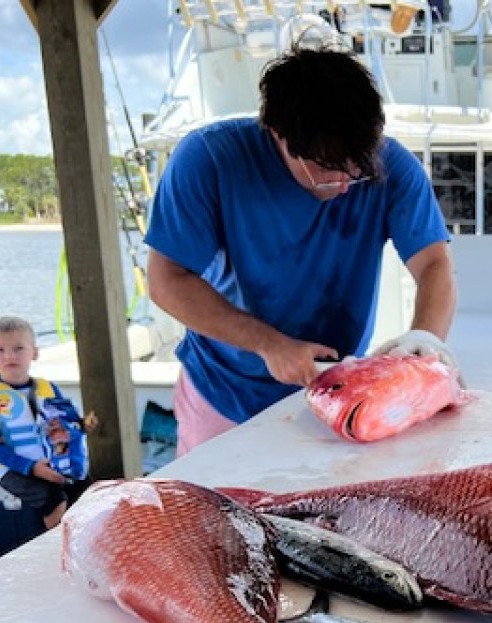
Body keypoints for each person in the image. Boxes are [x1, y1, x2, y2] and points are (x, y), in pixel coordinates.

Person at [144, 45, 458, 456]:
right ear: (278, 134)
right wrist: (270, 344)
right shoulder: (208, 159)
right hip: (224, 395)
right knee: (214, 516)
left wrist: (424, 342)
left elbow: (434, 264)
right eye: (328, 168)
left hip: (337, 396)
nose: (346, 183)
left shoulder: (391, 167)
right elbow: (166, 281)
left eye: (357, 168)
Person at [0, 316, 93, 530]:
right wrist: (32, 468)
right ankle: (54, 551)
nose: (10, 356)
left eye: (18, 348)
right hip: (11, 467)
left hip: (50, 462)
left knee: (89, 491)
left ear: (34, 353)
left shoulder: (48, 388)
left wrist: (81, 426)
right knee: (54, 498)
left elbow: (64, 425)